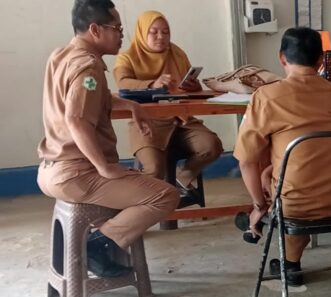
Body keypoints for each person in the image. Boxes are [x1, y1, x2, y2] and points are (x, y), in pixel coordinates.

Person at [37, 0, 180, 278]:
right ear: (95, 30)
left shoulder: (62, 55)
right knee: (165, 195)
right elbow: (76, 119)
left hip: (50, 170)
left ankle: (95, 245)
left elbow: (90, 97)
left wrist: (131, 105)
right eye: (116, 28)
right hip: (78, 173)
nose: (121, 35)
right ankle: (96, 246)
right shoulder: (88, 67)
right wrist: (104, 167)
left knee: (142, 183)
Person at [234, 27, 331, 286]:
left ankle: (258, 221)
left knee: (277, 184)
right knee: (275, 174)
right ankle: (289, 262)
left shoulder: (267, 96)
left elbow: (246, 160)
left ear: (282, 58)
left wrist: (259, 206)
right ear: (320, 60)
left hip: (297, 206)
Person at [114, 11, 223, 193]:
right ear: (142, 32)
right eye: (154, 32)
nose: (161, 37)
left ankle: (181, 179)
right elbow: (123, 83)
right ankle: (145, 203)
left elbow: (187, 87)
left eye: (165, 32)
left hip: (180, 120)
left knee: (211, 146)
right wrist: (151, 85)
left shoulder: (177, 53)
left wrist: (193, 86)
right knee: (154, 169)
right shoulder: (128, 57)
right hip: (146, 124)